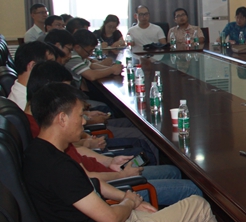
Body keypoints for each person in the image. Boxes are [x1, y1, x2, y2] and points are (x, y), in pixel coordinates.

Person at [23, 82, 246, 222]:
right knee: (198, 205)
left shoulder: (41, 151)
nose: (84, 121)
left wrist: (128, 199)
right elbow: (109, 219)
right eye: (79, 115)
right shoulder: (57, 168)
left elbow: (90, 185)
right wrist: (129, 202)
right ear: (62, 119)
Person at [24, 62, 202, 206]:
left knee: (172, 171)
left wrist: (108, 161)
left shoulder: (47, 130)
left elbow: (78, 157)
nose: (83, 121)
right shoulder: (43, 137)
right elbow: (84, 180)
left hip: (108, 175)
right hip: (111, 187)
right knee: (191, 189)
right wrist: (122, 178)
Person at [7, 41, 55, 109]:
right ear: (33, 66)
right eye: (50, 64)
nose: (55, 68)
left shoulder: (20, 92)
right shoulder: (26, 104)